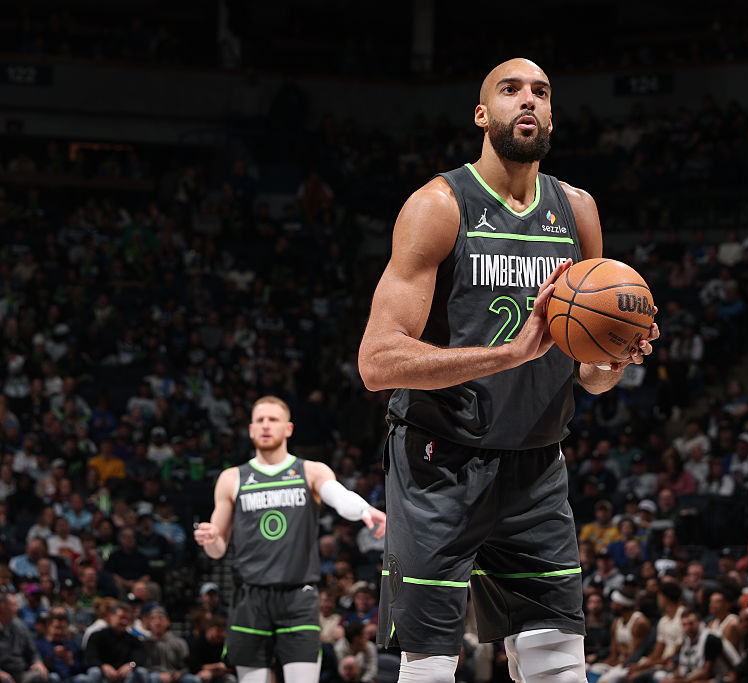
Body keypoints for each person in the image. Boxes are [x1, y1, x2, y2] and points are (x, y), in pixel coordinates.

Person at [357, 58, 657, 683]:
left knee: (557, 665)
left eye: (541, 92)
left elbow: (589, 373)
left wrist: (615, 358)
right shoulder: (438, 205)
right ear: (481, 113)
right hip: (440, 460)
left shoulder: (577, 212)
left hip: (536, 463)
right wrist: (507, 355)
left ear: (552, 113)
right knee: (432, 668)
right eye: (511, 90)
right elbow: (377, 360)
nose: (528, 101)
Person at [193, 396, 386, 683]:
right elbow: (218, 550)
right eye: (259, 420)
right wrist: (209, 538)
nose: (266, 425)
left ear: (289, 428)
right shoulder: (232, 478)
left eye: (273, 419)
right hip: (250, 598)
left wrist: (363, 509)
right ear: (250, 430)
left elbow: (337, 495)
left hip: (299, 597)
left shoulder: (311, 471)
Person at [0, 593, 49, 683]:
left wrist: (38, 662)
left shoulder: (20, 626)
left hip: (21, 673)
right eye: (14, 605)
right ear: (2, 607)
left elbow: (33, 652)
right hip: (3, 674)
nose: (18, 608)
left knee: (40, 675)